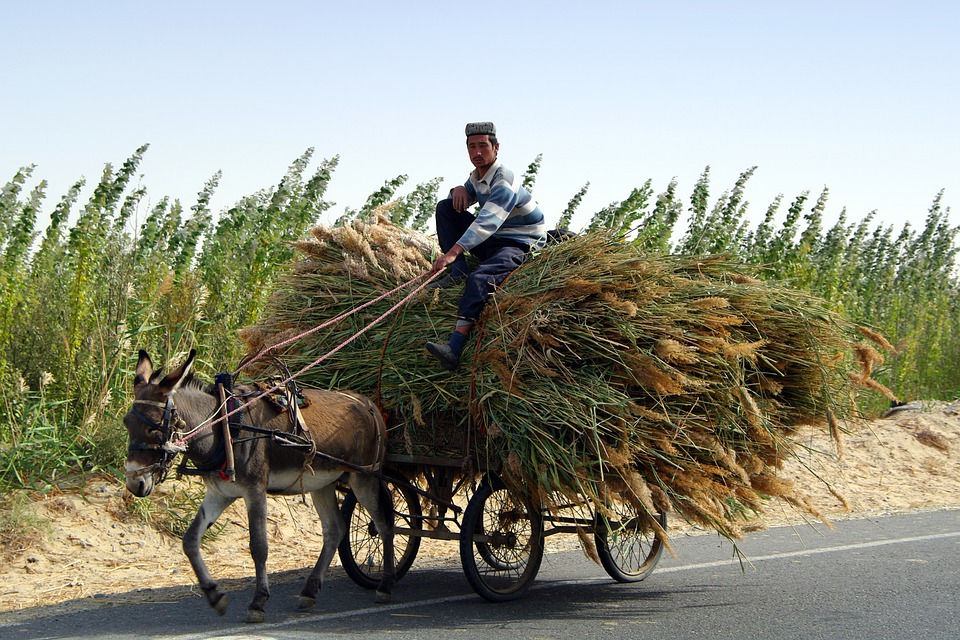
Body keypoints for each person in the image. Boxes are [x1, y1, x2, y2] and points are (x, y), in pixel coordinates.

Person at [424, 122, 547, 371]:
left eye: (483, 146)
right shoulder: (477, 177)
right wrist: (457, 189)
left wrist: (452, 252)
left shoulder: (504, 179)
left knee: (481, 277)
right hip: (496, 239)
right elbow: (462, 200)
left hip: (519, 242)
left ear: (496, 148)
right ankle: (458, 272)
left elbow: (487, 221)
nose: (477, 152)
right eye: (472, 146)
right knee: (445, 208)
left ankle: (455, 346)